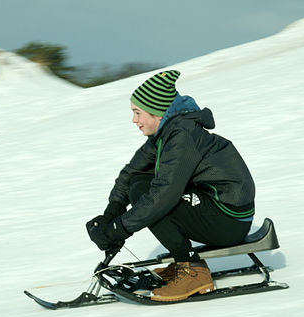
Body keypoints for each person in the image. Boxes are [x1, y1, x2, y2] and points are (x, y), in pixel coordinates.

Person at [86, 70, 256, 302]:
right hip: (215, 209)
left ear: (158, 113)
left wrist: (119, 229)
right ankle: (184, 264)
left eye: (138, 113)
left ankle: (192, 271)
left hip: (228, 220)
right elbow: (131, 172)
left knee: (146, 193)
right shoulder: (167, 133)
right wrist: (111, 214)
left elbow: (163, 195)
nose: (134, 120)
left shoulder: (182, 136)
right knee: (139, 183)